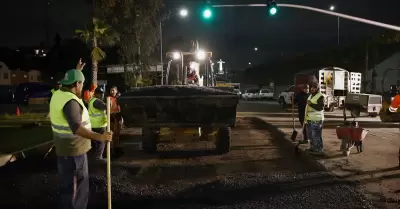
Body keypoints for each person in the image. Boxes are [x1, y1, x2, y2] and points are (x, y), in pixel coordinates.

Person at [49, 69, 112, 209]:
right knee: (76, 191)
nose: (82, 87)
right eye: (81, 84)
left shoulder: (59, 94)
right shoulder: (70, 102)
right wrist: (100, 137)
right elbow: (77, 128)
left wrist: (77, 70)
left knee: (69, 188)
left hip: (66, 151)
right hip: (73, 152)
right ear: (77, 84)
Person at [88, 87, 107, 161]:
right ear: (95, 94)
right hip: (99, 125)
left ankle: (95, 156)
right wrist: (109, 103)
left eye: (102, 94)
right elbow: (105, 107)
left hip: (93, 125)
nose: (101, 95)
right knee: (101, 141)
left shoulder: (92, 100)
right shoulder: (97, 102)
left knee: (96, 141)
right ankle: (98, 157)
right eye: (100, 94)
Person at [305, 83, 325, 154]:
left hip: (317, 119)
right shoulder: (310, 96)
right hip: (310, 119)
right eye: (311, 87)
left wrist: (311, 104)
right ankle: (313, 148)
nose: (312, 89)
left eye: (314, 87)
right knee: (311, 135)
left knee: (316, 135)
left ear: (318, 88)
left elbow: (320, 107)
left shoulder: (320, 96)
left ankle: (319, 150)